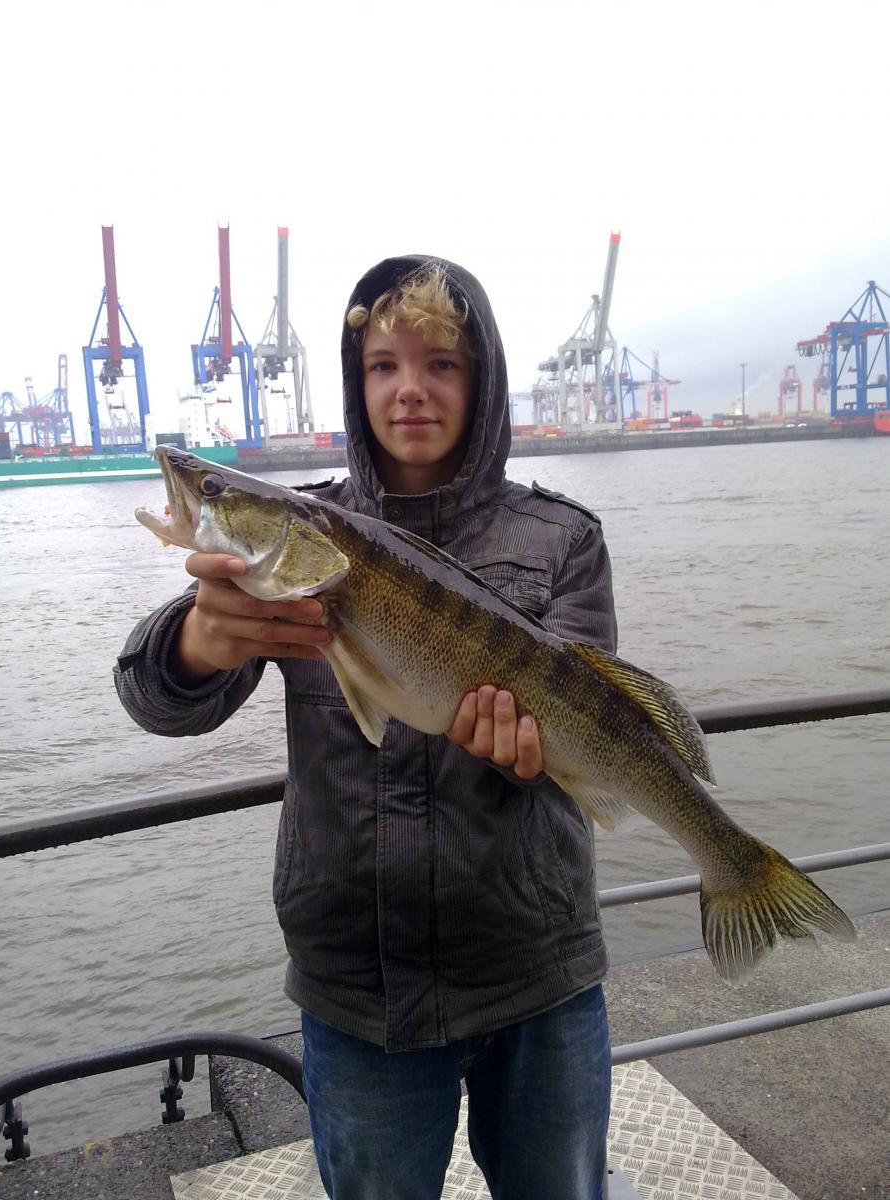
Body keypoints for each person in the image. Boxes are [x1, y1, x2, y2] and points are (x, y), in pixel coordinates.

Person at [115, 255, 618, 1199]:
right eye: (384, 366)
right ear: (358, 385)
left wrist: (529, 758)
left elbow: (592, 731)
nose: (411, 390)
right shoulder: (301, 542)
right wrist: (196, 643)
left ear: (485, 381)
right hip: (358, 987)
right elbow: (155, 703)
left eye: (442, 364)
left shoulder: (562, 540)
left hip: (537, 970)